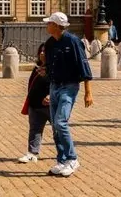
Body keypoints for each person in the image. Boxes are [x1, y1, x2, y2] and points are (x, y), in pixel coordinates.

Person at [41, 12, 93, 177]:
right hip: (54, 86)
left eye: (49, 23)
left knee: (60, 122)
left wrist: (88, 93)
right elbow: (49, 67)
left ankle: (72, 158)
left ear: (56, 26)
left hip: (69, 86)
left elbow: (84, 66)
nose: (46, 25)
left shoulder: (73, 41)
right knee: (55, 127)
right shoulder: (49, 43)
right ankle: (62, 160)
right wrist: (43, 65)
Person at [17, 43, 51, 164]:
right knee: (35, 130)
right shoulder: (37, 67)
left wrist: (51, 95)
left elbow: (59, 84)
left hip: (49, 106)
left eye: (44, 52)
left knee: (59, 131)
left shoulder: (54, 69)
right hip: (35, 104)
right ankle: (32, 153)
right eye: (40, 51)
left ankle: (64, 153)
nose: (42, 53)